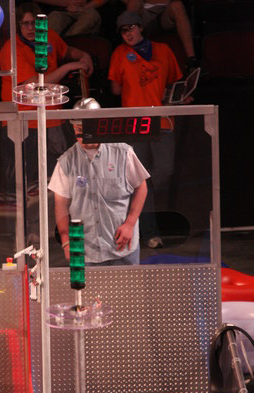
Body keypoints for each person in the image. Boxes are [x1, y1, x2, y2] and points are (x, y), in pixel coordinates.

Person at [108, 11, 183, 248]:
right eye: (123, 31)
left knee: (163, 171)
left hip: (162, 121)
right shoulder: (119, 54)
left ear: (141, 27)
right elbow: (116, 89)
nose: (128, 33)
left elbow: (174, 81)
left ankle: (144, 209)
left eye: (131, 28)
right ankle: (150, 232)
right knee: (140, 179)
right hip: (134, 124)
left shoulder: (163, 50)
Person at [0, 2, 94, 185]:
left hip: (53, 118)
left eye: (34, 23)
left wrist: (83, 55)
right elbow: (35, 85)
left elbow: (67, 50)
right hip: (23, 121)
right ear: (18, 25)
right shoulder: (11, 48)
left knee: (57, 178)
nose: (30, 28)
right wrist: (68, 67)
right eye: (25, 23)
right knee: (23, 181)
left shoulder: (48, 36)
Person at [49, 98, 149, 265]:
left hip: (122, 247)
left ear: (99, 126)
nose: (84, 137)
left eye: (88, 130)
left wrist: (130, 223)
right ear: (74, 128)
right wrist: (66, 242)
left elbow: (141, 187)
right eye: (79, 130)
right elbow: (61, 205)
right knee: (83, 284)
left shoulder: (123, 152)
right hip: (85, 251)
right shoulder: (66, 162)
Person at [123, 0, 198, 71]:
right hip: (143, 12)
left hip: (164, 12)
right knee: (133, 2)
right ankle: (128, 56)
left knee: (177, 5)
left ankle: (191, 61)